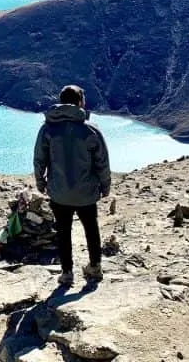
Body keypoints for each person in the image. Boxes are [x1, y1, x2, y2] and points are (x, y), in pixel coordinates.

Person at [33, 84, 111, 286]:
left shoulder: (48, 129)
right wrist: (105, 186)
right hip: (86, 192)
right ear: (79, 103)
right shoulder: (90, 130)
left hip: (59, 192)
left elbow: (39, 159)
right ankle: (95, 267)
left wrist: (40, 182)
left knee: (63, 231)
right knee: (91, 229)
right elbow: (102, 161)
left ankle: (67, 272)